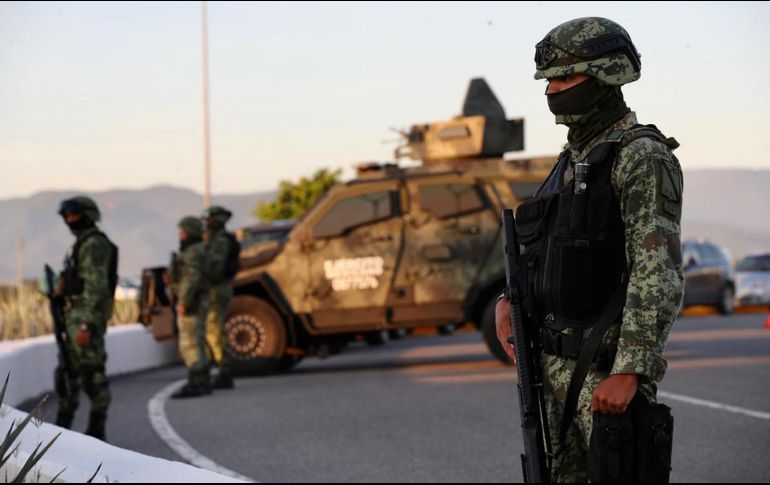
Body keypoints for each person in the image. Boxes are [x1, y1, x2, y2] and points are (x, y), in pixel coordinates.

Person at [495, 17, 684, 482]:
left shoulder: (641, 156)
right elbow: (549, 253)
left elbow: (655, 269)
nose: (551, 91)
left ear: (607, 75)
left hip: (605, 373)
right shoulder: (572, 159)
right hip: (552, 366)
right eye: (549, 81)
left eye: (565, 78)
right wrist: (507, 303)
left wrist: (632, 369)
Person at [55, 196, 118, 441]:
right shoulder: (83, 243)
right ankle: (60, 434)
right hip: (76, 318)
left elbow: (96, 288)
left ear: (87, 215)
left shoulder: (93, 244)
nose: (69, 221)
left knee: (93, 376)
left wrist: (85, 325)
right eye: (66, 216)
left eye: (73, 215)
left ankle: (96, 433)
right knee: (68, 375)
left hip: (84, 321)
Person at [169, 216, 212, 398]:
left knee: (190, 344)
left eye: (183, 231)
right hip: (199, 302)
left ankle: (197, 382)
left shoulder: (193, 251)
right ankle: (202, 380)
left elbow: (192, 279)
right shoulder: (199, 249)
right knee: (197, 342)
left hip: (193, 304)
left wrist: (184, 302)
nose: (181, 235)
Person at [202, 206, 239, 389]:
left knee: (214, 329)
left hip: (217, 288)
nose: (206, 222)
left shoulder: (221, 241)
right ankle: (216, 367)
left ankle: (224, 369)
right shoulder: (216, 239)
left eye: (209, 218)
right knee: (211, 328)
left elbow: (215, 269)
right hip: (215, 288)